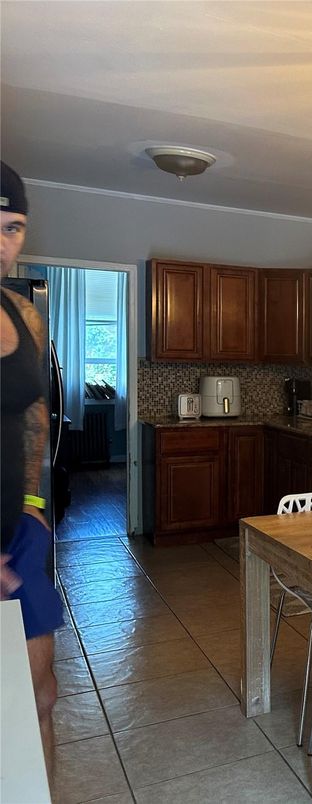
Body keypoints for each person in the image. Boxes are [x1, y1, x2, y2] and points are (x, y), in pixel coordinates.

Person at [1, 160, 64, 777]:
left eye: (13, 227)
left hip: (17, 534)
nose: (1, 243)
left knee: (41, 696)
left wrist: (31, 501)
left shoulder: (25, 314)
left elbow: (34, 414)